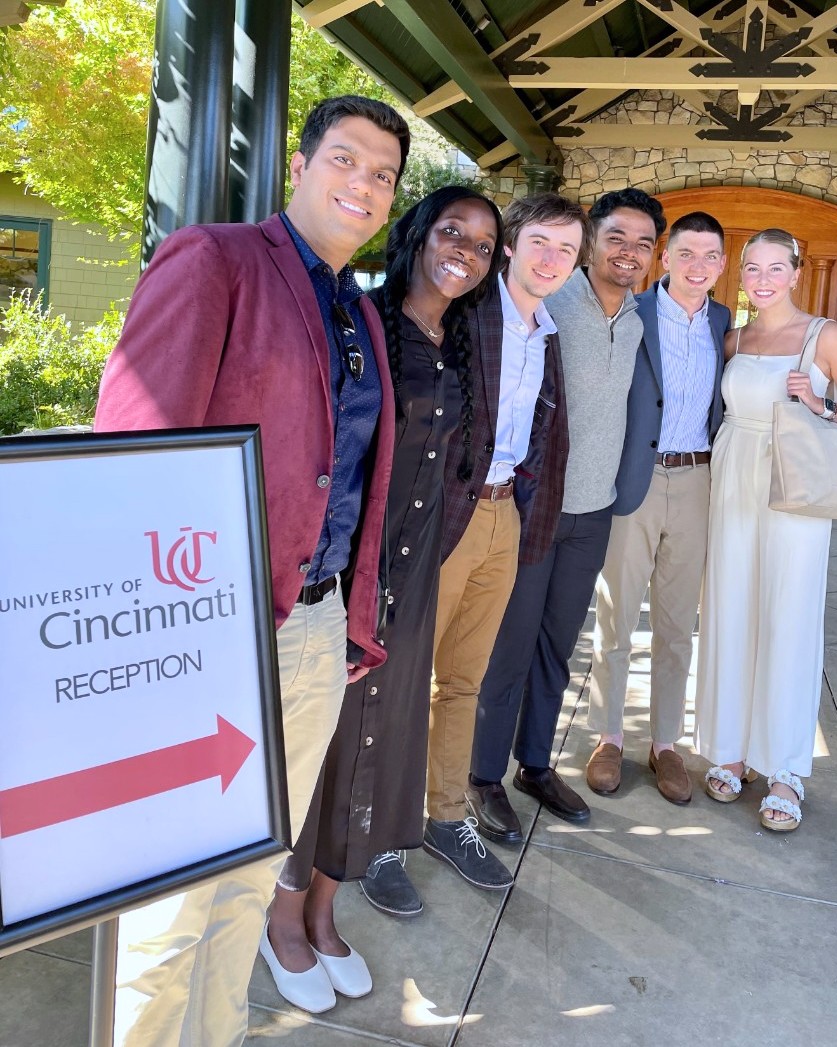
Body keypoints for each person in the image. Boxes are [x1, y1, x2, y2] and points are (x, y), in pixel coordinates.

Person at [94, 95, 409, 1046]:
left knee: (250, 869)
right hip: (209, 628)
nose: (363, 184)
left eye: (384, 174)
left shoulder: (360, 309)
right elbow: (134, 451)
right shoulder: (218, 258)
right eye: (346, 160)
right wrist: (159, 635)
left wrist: (349, 620)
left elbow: (347, 477)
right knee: (171, 897)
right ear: (302, 167)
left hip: (314, 630)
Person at [258, 187, 503, 1011]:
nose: (464, 249)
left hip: (418, 572)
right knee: (322, 747)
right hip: (354, 570)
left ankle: (327, 909)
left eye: (481, 242)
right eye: (451, 230)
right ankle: (282, 914)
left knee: (382, 742)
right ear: (418, 234)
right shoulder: (363, 323)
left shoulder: (461, 341)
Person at [360, 193, 588, 900]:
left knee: (463, 681)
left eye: (567, 251)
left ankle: (445, 815)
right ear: (512, 246)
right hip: (440, 521)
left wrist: (527, 528)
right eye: (542, 243)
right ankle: (377, 837)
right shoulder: (466, 312)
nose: (553, 260)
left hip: (502, 519)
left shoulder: (548, 331)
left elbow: (546, 444)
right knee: (397, 683)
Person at [466, 189, 664, 842]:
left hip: (595, 510)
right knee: (510, 648)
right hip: (533, 507)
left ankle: (536, 764)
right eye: (616, 237)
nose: (628, 252)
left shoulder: (638, 318)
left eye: (642, 242)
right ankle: (483, 774)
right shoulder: (552, 301)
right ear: (592, 243)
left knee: (558, 646)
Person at [695, 228, 837, 830]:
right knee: (731, 609)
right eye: (752, 267)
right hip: (733, 479)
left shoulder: (825, 336)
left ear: (797, 273)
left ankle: (784, 769)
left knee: (789, 616)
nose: (762, 278)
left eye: (776, 267)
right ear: (741, 273)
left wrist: (822, 405)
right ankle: (729, 747)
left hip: (795, 486)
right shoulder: (732, 338)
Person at [586, 211, 730, 803]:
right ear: (665, 258)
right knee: (617, 616)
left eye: (710, 257)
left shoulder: (724, 322)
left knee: (677, 625)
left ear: (722, 265)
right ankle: (609, 736)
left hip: (697, 481)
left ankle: (666, 743)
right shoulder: (632, 310)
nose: (698, 266)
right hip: (634, 481)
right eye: (687, 254)